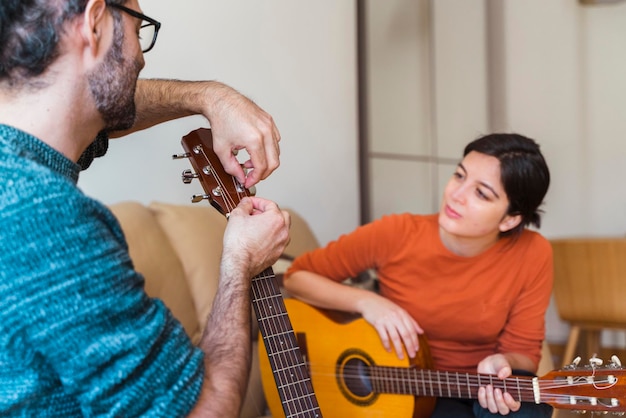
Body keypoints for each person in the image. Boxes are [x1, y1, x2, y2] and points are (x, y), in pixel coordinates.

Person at [0, 0, 290, 416]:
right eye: (139, 29)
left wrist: (209, 97)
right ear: (95, 22)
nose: (139, 58)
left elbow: (104, 105)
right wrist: (239, 263)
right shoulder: (46, 216)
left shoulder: (20, 161)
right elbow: (202, 410)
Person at [283, 133, 553, 418]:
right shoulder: (396, 233)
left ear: (510, 219)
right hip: (404, 387)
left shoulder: (533, 253)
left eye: (481, 193)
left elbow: (523, 351)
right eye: (459, 176)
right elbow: (296, 277)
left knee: (524, 411)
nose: (456, 195)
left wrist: (504, 361)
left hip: (482, 387)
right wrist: (366, 302)